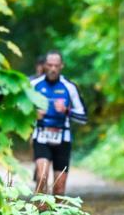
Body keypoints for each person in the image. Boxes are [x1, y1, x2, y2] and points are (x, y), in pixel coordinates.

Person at [31, 50, 87, 197]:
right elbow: (17, 109)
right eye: (50, 65)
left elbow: (83, 117)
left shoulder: (69, 87)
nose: (53, 69)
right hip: (41, 136)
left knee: (59, 189)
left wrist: (66, 111)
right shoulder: (33, 84)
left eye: (56, 65)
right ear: (44, 66)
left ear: (61, 66)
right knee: (42, 178)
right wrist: (32, 113)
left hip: (63, 138)